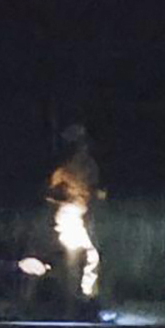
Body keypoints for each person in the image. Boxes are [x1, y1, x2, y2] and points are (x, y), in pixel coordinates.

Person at [45, 124, 106, 308]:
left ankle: (86, 297)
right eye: (79, 144)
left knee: (91, 256)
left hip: (83, 216)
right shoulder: (63, 169)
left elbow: (94, 189)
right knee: (74, 257)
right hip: (68, 217)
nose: (83, 147)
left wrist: (95, 196)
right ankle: (72, 299)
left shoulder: (89, 166)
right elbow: (51, 194)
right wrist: (66, 197)